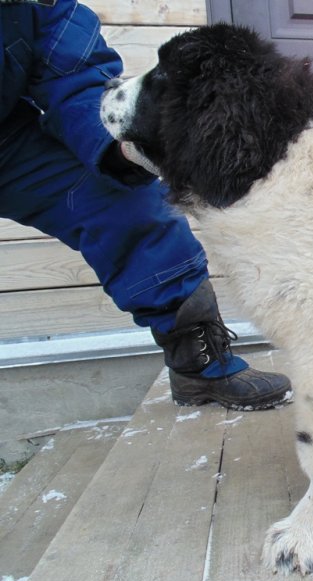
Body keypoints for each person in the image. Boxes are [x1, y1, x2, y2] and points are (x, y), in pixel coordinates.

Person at [0, 0, 292, 410]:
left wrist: (119, 148)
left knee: (122, 194)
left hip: (6, 139)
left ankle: (198, 363)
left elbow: (76, 75)